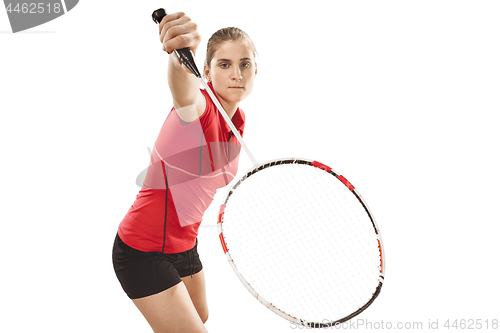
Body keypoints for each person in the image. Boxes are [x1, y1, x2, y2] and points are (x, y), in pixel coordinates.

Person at [112, 12, 258, 333]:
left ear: (255, 70)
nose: (236, 73)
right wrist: (180, 56)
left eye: (244, 64)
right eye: (224, 64)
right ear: (206, 71)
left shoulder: (239, 120)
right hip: (144, 250)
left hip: (185, 245)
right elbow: (184, 93)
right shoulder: (199, 111)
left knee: (199, 317)